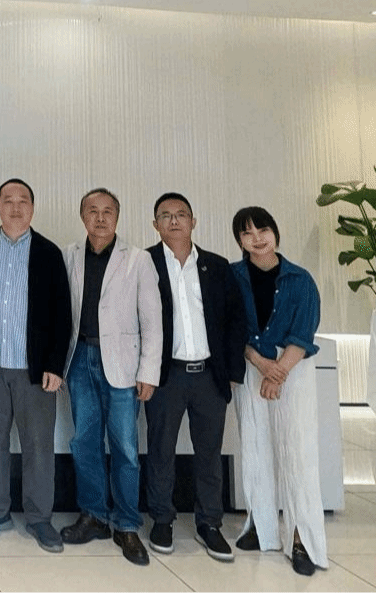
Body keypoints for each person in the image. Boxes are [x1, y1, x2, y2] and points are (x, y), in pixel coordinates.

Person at [0, 178, 71, 552]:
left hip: (35, 369)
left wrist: (55, 364)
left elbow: (62, 314)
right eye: (7, 200)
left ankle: (40, 518)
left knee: (38, 445)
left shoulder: (49, 252)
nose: (15, 207)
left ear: (32, 207)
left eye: (22, 200)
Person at [60, 187, 162, 566]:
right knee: (84, 441)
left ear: (117, 217)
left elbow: (152, 321)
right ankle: (94, 516)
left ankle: (127, 523)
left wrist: (148, 371)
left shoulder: (138, 259)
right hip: (79, 359)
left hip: (124, 364)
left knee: (125, 446)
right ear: (82, 216)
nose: (100, 218)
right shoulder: (69, 255)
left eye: (107, 211)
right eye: (93, 211)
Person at [143, 192, 246, 562]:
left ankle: (210, 523)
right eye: (165, 215)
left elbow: (235, 321)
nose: (174, 221)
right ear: (155, 224)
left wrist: (232, 371)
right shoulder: (144, 263)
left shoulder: (217, 266)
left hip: (208, 376)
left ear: (193, 221)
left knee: (209, 452)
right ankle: (162, 519)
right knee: (160, 451)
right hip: (165, 375)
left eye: (181, 214)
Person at [230, 206, 327, 577]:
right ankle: (262, 526)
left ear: (275, 232)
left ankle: (302, 540)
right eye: (247, 233)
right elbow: (231, 328)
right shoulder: (233, 277)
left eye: (263, 230)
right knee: (255, 447)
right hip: (252, 367)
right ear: (239, 240)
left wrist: (278, 372)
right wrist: (261, 364)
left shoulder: (300, 279)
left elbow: (303, 333)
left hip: (293, 369)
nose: (257, 238)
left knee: (297, 454)